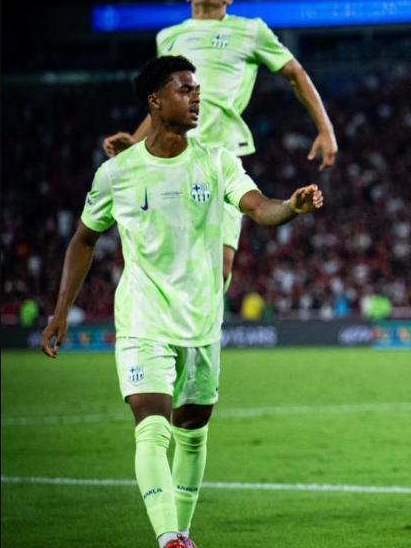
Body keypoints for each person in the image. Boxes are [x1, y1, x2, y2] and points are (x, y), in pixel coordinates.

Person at [41, 55, 324, 548]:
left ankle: (183, 533)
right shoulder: (117, 173)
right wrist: (61, 311)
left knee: (192, 430)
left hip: (201, 321)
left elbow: (260, 208)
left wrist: (292, 208)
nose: (197, 97)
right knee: (153, 428)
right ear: (155, 101)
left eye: (198, 89)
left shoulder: (216, 160)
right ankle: (169, 538)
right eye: (185, 89)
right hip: (143, 319)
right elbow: (84, 239)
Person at [102, 0, 337, 293]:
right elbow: (163, 107)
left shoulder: (251, 30)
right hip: (173, 156)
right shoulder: (167, 37)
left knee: (221, 265)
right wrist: (135, 141)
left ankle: (203, 319)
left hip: (220, 156)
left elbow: (295, 73)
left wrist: (325, 128)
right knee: (170, 254)